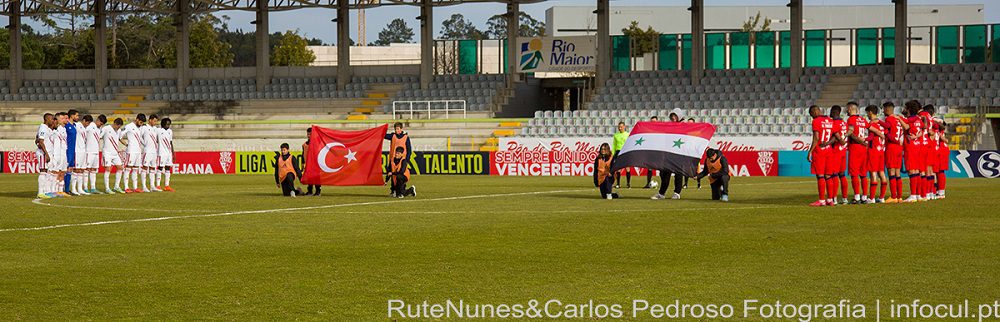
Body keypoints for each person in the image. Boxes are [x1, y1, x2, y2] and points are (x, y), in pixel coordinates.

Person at [651, 113, 686, 200]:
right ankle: (661, 193)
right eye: (672, 116)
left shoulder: (684, 126)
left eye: (675, 116)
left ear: (679, 116)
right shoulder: (669, 126)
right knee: (665, 174)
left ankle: (677, 193)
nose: (673, 118)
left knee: (678, 174)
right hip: (669, 154)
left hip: (679, 154)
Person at [807, 105, 834, 206]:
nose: (812, 117)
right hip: (829, 150)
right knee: (828, 176)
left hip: (819, 151)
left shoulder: (816, 121)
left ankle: (822, 200)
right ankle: (830, 200)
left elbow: (816, 138)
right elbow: (835, 136)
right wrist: (828, 143)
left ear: (814, 112)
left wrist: (810, 151)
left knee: (820, 175)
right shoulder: (830, 121)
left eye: (811, 115)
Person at [900, 101, 925, 202]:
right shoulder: (918, 119)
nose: (904, 109)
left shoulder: (910, 119)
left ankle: (913, 195)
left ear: (909, 109)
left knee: (911, 171)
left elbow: (906, 127)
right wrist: (917, 136)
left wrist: (899, 119)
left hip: (910, 146)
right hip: (917, 146)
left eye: (905, 107)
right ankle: (918, 195)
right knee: (916, 171)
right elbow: (922, 130)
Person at [845, 103, 869, 204]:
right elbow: (871, 129)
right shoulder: (863, 120)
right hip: (864, 149)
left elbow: (852, 134)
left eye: (847, 109)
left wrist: (845, 135)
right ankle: (864, 197)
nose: (846, 110)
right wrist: (866, 141)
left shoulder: (851, 119)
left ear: (850, 109)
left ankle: (857, 197)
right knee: (863, 174)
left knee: (854, 173)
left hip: (855, 147)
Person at [882, 102, 905, 203]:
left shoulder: (889, 119)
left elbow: (890, 135)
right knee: (897, 172)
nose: (883, 111)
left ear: (887, 109)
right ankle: (899, 197)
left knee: (891, 172)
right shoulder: (898, 119)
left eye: (884, 109)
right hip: (899, 147)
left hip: (891, 147)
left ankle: (893, 196)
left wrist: (885, 132)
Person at [864, 105, 888, 204]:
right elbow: (886, 131)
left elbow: (870, 137)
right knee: (881, 173)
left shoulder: (872, 123)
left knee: (873, 173)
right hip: (881, 150)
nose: (867, 115)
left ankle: (872, 198)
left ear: (870, 112)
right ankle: (882, 197)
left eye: (867, 113)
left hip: (873, 150)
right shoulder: (881, 123)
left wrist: (863, 138)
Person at [120, 114, 146, 193]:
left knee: (135, 169)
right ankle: (126, 187)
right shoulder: (129, 126)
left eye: (142, 123)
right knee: (128, 168)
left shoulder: (139, 128)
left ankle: (135, 187)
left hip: (138, 151)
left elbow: (140, 139)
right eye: (140, 122)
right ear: (137, 119)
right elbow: (120, 136)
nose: (141, 124)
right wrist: (126, 144)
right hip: (131, 151)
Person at [100, 116, 125, 194]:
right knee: (108, 169)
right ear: (114, 123)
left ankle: (116, 187)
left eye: (119, 127)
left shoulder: (119, 130)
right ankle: (107, 188)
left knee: (120, 168)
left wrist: (127, 144)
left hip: (115, 153)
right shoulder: (106, 128)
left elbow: (120, 138)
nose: (118, 128)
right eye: (117, 126)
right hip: (107, 152)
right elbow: (99, 136)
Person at [66, 109, 88, 195]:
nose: (78, 117)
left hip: (81, 150)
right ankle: (72, 188)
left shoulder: (75, 125)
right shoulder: (69, 125)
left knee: (80, 170)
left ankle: (79, 188)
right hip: (75, 150)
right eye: (77, 115)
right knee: (74, 170)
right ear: (72, 116)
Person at [829, 105, 848, 205]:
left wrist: (827, 143)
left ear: (834, 112)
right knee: (842, 175)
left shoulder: (834, 123)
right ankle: (845, 199)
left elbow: (836, 138)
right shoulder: (844, 123)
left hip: (835, 151)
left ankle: (834, 198)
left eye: (831, 111)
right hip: (843, 151)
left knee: (834, 175)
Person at [35, 113, 54, 199]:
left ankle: (45, 191)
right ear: (46, 119)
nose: (52, 121)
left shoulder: (46, 128)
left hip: (46, 152)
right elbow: (41, 141)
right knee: (43, 171)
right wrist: (46, 154)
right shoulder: (43, 127)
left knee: (46, 172)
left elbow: (37, 139)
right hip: (43, 153)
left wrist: (36, 141)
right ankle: (40, 192)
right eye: (51, 119)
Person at [81, 115, 102, 194]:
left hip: (96, 152)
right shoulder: (90, 126)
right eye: (100, 123)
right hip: (89, 151)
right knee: (87, 170)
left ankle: (93, 188)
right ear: (97, 120)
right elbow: (83, 135)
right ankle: (85, 187)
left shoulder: (99, 129)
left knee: (93, 170)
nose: (100, 125)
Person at [141, 114, 161, 192]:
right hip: (147, 151)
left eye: (156, 121)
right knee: (145, 167)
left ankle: (152, 186)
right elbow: (139, 136)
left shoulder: (155, 129)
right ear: (150, 120)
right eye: (154, 121)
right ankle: (144, 186)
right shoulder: (144, 127)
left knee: (153, 168)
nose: (155, 123)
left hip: (154, 151)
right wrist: (144, 143)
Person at [158, 118, 176, 192]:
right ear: (163, 124)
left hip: (169, 153)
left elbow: (170, 142)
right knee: (160, 168)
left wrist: (173, 153)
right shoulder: (158, 131)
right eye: (167, 124)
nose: (168, 126)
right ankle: (158, 185)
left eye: (169, 124)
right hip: (162, 152)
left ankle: (167, 186)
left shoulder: (170, 131)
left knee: (168, 168)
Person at [302, 127, 321, 196]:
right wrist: (303, 162)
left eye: (310, 134)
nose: (309, 135)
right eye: (308, 134)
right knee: (309, 178)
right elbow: (303, 153)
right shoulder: (304, 144)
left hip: (315, 163)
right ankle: (310, 191)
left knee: (316, 177)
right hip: (308, 164)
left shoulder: (317, 143)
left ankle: (318, 191)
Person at [641, 116, 658, 189]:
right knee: (649, 168)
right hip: (650, 151)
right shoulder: (648, 130)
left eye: (654, 121)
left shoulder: (660, 130)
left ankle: (664, 185)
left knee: (662, 169)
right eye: (652, 121)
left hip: (658, 151)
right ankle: (648, 183)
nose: (653, 122)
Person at [612, 121, 630, 189]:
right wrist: (613, 153)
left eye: (621, 127)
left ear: (624, 127)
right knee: (618, 169)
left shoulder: (628, 134)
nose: (620, 128)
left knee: (627, 168)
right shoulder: (616, 135)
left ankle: (628, 184)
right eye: (619, 127)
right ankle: (618, 184)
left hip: (626, 151)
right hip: (618, 152)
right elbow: (614, 145)